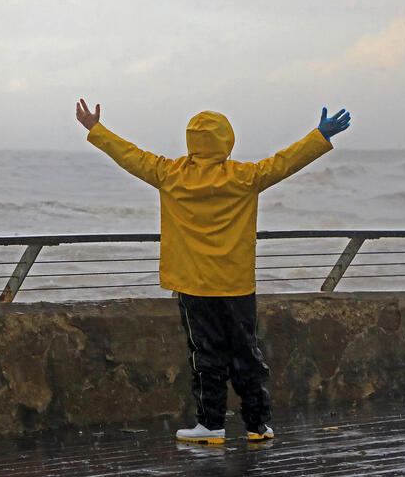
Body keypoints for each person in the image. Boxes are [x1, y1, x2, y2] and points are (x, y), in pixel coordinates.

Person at [75, 99, 350, 444]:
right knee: (246, 353)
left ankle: (211, 425)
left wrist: (95, 129)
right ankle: (258, 425)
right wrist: (320, 136)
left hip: (195, 285)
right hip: (236, 284)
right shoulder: (244, 177)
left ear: (191, 141)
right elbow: (285, 163)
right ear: (227, 141)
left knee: (206, 355)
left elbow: (130, 156)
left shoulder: (169, 174)